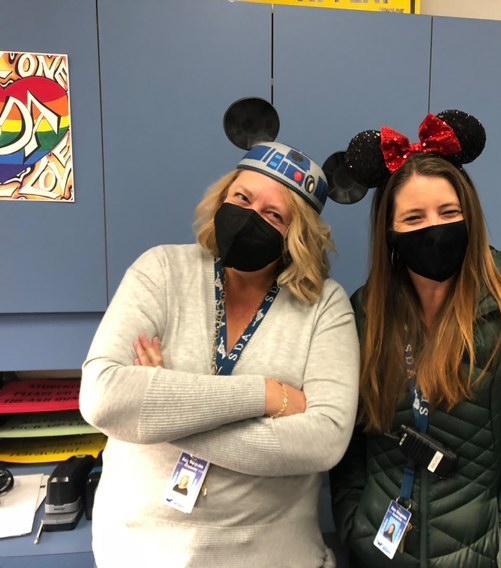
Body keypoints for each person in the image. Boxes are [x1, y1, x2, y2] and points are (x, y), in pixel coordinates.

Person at [79, 98, 359, 567]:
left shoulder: (325, 306)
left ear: (298, 235)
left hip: (271, 555)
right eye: (242, 199)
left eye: (274, 215)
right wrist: (268, 395)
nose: (251, 216)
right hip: (139, 551)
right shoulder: (160, 270)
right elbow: (104, 399)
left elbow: (324, 439)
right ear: (222, 198)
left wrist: (160, 411)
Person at [329, 110, 501, 567]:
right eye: (414, 217)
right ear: (390, 232)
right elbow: (349, 435)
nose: (434, 229)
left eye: (448, 212)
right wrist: (354, 522)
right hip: (379, 548)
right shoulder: (367, 310)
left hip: (478, 552)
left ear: (470, 216)